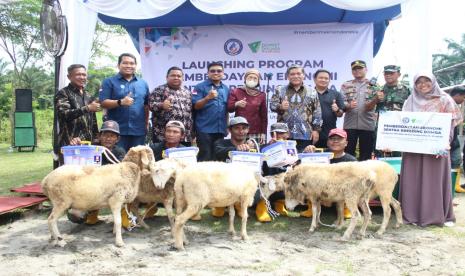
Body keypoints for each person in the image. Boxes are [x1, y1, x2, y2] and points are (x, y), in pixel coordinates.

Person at [400, 73, 462, 227]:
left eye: (426, 80)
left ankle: (438, 215)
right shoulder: (410, 100)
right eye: (418, 82)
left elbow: (451, 124)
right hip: (413, 148)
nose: (422, 84)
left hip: (437, 147)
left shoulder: (445, 99)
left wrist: (445, 142)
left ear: (433, 82)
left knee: (434, 179)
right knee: (412, 179)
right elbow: (401, 124)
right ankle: (411, 215)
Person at [79, 120, 126, 225]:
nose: (108, 138)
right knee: (76, 215)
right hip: (93, 188)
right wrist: (75, 143)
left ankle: (124, 218)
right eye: (105, 135)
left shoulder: (120, 152)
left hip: (112, 189)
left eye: (112, 136)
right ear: (99, 136)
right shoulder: (90, 148)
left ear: (117, 139)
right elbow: (78, 155)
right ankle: (91, 215)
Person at [100, 53, 150, 152]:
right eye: (125, 63)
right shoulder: (109, 82)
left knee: (137, 161)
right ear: (118, 65)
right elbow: (103, 103)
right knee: (117, 161)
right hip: (116, 132)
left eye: (132, 63)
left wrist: (146, 123)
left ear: (135, 66)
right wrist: (120, 102)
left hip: (138, 131)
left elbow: (146, 105)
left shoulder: (143, 83)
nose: (129, 66)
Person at [270, 65, 323, 152]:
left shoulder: (312, 91)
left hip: (305, 133)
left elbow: (317, 112)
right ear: (287, 76)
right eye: (292, 74)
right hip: (283, 134)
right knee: (285, 160)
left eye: (298, 73)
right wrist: (280, 106)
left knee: (303, 160)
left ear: (304, 75)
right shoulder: (279, 90)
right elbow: (272, 106)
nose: (295, 76)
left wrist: (316, 130)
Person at [55, 64, 99, 165]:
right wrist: (87, 108)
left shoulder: (87, 94)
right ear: (69, 77)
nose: (82, 77)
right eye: (78, 74)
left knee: (88, 173)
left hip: (88, 143)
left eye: (84, 74)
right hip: (70, 143)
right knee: (69, 176)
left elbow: (93, 118)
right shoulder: (63, 93)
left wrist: (97, 136)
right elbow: (63, 114)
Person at [213, 116, 256, 217]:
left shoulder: (254, 146)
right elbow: (219, 151)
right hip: (224, 184)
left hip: (244, 184)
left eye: (244, 128)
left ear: (248, 130)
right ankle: (220, 205)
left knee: (257, 191)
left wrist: (273, 144)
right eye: (237, 128)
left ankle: (240, 205)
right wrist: (236, 149)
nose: (241, 131)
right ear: (229, 130)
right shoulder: (220, 143)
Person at [340, 60, 382, 161]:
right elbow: (341, 103)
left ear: (366, 70)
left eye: (360, 68)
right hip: (350, 124)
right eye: (355, 69)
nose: (357, 70)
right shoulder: (346, 85)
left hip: (368, 125)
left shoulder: (375, 86)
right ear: (352, 71)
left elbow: (380, 105)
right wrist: (348, 105)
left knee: (366, 155)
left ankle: (364, 176)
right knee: (348, 153)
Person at [192, 62, 230, 161]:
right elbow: (196, 106)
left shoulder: (226, 89)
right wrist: (207, 98)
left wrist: (226, 127)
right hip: (204, 129)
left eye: (219, 71)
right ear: (208, 73)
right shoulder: (200, 87)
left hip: (220, 130)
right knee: (205, 157)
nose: (216, 73)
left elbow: (226, 110)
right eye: (212, 71)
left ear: (223, 73)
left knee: (218, 158)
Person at [148, 66, 193, 145]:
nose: (176, 78)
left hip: (184, 135)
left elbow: (191, 113)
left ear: (183, 78)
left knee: (184, 156)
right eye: (173, 75)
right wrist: (162, 105)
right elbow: (151, 105)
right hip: (163, 135)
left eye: (179, 76)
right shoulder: (159, 90)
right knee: (164, 157)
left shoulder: (187, 92)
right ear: (167, 77)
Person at [376, 65, 411, 157]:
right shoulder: (378, 90)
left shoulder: (407, 90)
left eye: (391, 73)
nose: (388, 75)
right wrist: (375, 99)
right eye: (386, 73)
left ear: (399, 74)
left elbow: (412, 109)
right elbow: (369, 108)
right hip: (383, 129)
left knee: (399, 157)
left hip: (400, 128)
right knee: (381, 156)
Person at [227, 68, 268, 144]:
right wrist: (237, 104)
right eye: (250, 77)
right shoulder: (236, 91)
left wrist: (263, 133)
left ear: (258, 81)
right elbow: (229, 108)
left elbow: (264, 116)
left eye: (255, 78)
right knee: (239, 153)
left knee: (256, 154)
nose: (252, 79)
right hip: (239, 130)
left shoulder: (261, 95)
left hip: (256, 131)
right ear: (245, 79)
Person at [313, 69, 345, 148]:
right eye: (321, 78)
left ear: (329, 80)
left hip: (329, 132)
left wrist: (337, 110)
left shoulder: (336, 94)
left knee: (329, 157)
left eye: (326, 78)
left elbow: (340, 114)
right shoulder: (309, 93)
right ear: (314, 79)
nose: (323, 80)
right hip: (311, 132)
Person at [448, 86, 465, 192]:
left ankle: (455, 185)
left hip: (454, 139)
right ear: (457, 95)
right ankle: (452, 186)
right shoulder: (447, 103)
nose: (463, 100)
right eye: (463, 97)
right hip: (449, 141)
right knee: (454, 161)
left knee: (456, 161)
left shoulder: (455, 105)